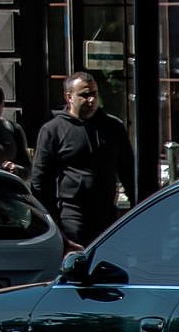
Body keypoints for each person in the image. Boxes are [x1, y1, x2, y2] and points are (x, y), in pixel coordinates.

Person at [31, 72, 134, 247]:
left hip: (107, 214)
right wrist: (52, 222)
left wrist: (136, 206)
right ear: (69, 97)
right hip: (71, 215)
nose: (91, 100)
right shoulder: (53, 130)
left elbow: (128, 171)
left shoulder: (113, 127)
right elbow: (40, 180)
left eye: (94, 93)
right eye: (84, 95)